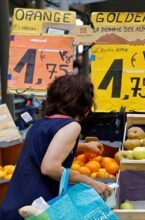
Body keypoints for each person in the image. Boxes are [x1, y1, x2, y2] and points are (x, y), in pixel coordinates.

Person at [0, 75, 112, 219]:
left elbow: (46, 149)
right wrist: (92, 182)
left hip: (14, 204)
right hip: (37, 210)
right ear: (82, 101)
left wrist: (84, 147)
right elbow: (50, 167)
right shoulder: (72, 126)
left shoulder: (39, 125)